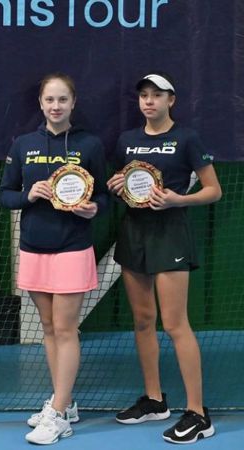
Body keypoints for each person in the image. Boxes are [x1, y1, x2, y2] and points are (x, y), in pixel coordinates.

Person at [107, 72, 221, 444]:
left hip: (171, 233)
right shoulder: (127, 141)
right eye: (144, 95)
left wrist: (178, 200)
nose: (149, 101)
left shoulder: (187, 138)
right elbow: (125, 184)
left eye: (156, 95)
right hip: (133, 233)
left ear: (171, 100)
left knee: (175, 324)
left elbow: (213, 190)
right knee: (143, 320)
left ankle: (199, 414)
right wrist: (116, 186)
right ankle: (155, 400)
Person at [0, 73, 108, 445]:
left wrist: (92, 209)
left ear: (73, 102)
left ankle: (58, 412)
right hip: (34, 248)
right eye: (50, 100)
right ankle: (65, 401)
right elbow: (5, 194)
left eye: (62, 99)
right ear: (41, 103)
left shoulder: (89, 144)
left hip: (73, 247)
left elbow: (103, 197)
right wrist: (29, 195)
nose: (56, 106)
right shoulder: (24, 145)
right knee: (47, 327)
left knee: (65, 329)